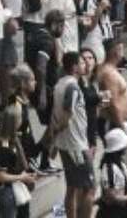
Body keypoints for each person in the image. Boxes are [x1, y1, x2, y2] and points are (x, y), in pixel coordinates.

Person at [51, 49, 95, 218]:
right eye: (82, 62)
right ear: (75, 66)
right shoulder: (73, 87)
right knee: (88, 187)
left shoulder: (58, 84)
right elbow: (67, 114)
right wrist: (57, 132)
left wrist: (55, 140)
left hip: (66, 143)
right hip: (75, 144)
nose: (85, 65)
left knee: (72, 186)